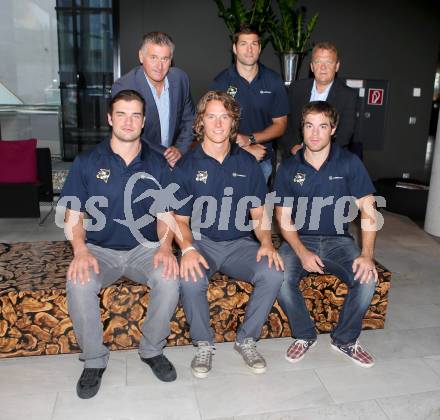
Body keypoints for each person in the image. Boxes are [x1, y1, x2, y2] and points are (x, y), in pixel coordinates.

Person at [59, 90, 180, 399]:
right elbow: (73, 214)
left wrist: (166, 248)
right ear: (110, 118)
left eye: (136, 115)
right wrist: (81, 250)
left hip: (144, 247)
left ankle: (152, 350)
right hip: (99, 248)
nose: (129, 121)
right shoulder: (88, 161)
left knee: (169, 277)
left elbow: (166, 213)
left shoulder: (156, 163)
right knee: (79, 283)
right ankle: (94, 361)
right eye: (122, 114)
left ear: (143, 121)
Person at [170, 90, 284, 378]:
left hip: (239, 243)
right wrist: (188, 249)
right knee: (189, 277)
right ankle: (203, 344)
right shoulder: (187, 165)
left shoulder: (247, 163)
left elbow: (259, 214)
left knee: (273, 272)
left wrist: (268, 243)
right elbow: (179, 220)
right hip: (202, 242)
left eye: (225, 117)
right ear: (201, 122)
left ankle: (246, 339)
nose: (218, 124)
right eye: (212, 117)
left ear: (234, 122)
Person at [274, 101, 378, 368]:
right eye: (309, 126)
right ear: (302, 129)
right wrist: (301, 251)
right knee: (280, 277)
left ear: (334, 129)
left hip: (338, 240)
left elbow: (368, 210)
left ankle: (345, 339)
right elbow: (282, 218)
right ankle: (305, 335)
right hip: (300, 238)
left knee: (367, 279)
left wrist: (367, 255)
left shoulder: (349, 163)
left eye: (322, 126)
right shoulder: (288, 168)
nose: (315, 133)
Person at [210, 24, 289, 182]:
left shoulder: (273, 80)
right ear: (235, 48)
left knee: (256, 205)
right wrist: (244, 148)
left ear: (259, 48)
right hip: (227, 157)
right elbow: (212, 125)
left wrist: (250, 140)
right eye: (243, 44)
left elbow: (281, 125)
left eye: (254, 44)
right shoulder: (220, 82)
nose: (249, 49)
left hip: (261, 159)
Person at [112, 31, 195, 167]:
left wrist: (180, 149)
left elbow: (189, 120)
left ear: (171, 59)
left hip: (175, 161)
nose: (159, 66)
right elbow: (129, 132)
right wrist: (167, 154)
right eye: (153, 58)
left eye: (164, 59)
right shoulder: (124, 87)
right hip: (138, 161)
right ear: (141, 56)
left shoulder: (180, 79)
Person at [281, 42, 358, 159]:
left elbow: (345, 134)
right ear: (312, 66)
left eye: (328, 62)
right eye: (318, 62)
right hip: (296, 157)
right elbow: (285, 123)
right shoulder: (296, 89)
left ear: (337, 66)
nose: (323, 67)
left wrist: (319, 155)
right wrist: (293, 146)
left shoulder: (348, 95)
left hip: (330, 160)